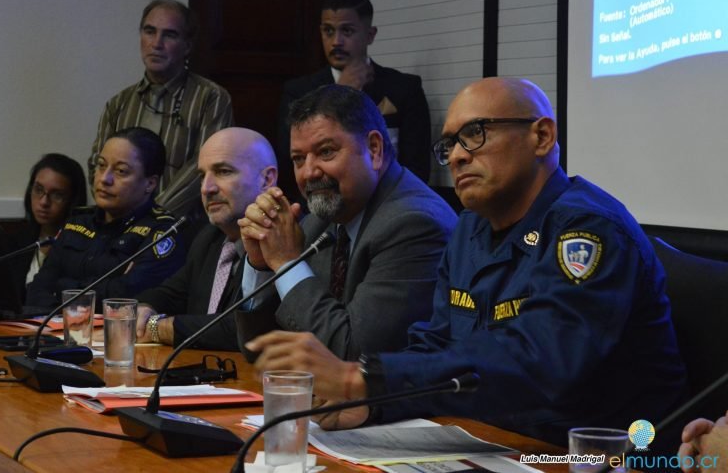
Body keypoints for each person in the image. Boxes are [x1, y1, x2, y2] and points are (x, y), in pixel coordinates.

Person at [245, 77, 687, 445]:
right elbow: (435, 344)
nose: (456, 155)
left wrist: (367, 379)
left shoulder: (588, 230)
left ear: (542, 137)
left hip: (599, 452)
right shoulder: (471, 228)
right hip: (495, 440)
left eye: (475, 134)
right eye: (449, 144)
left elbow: (540, 363)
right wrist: (368, 404)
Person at [238, 84, 457, 361]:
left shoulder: (415, 223)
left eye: (326, 152)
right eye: (298, 159)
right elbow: (259, 350)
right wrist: (260, 264)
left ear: (374, 149)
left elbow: (354, 356)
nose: (309, 173)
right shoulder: (321, 221)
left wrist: (286, 263)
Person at [276, 0, 432, 201]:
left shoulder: (404, 88)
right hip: (323, 205)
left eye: (347, 31)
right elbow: (289, 161)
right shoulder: (298, 91)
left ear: (370, 35)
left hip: (395, 203)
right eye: (328, 31)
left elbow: (418, 166)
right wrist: (341, 92)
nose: (336, 41)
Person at [134, 128, 278, 349]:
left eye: (223, 171)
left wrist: (157, 328)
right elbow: (170, 293)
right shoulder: (209, 238)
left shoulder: (286, 239)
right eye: (202, 176)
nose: (206, 188)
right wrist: (146, 307)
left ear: (267, 179)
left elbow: (239, 329)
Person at [90, 0, 233, 218]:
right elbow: (97, 164)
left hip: (184, 228)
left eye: (169, 35)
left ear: (187, 46)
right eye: (150, 31)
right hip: (120, 227)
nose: (157, 43)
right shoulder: (118, 104)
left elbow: (203, 168)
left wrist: (152, 218)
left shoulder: (211, 98)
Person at [26, 128, 185, 312]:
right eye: (101, 166)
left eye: (120, 171)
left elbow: (125, 297)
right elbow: (38, 289)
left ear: (150, 183)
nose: (104, 178)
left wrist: (62, 287)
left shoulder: (163, 232)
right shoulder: (78, 222)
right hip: (56, 333)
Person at [13, 153, 87, 299]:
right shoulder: (17, 243)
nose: (43, 202)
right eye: (38, 190)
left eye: (57, 195)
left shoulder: (81, 248)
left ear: (73, 200)